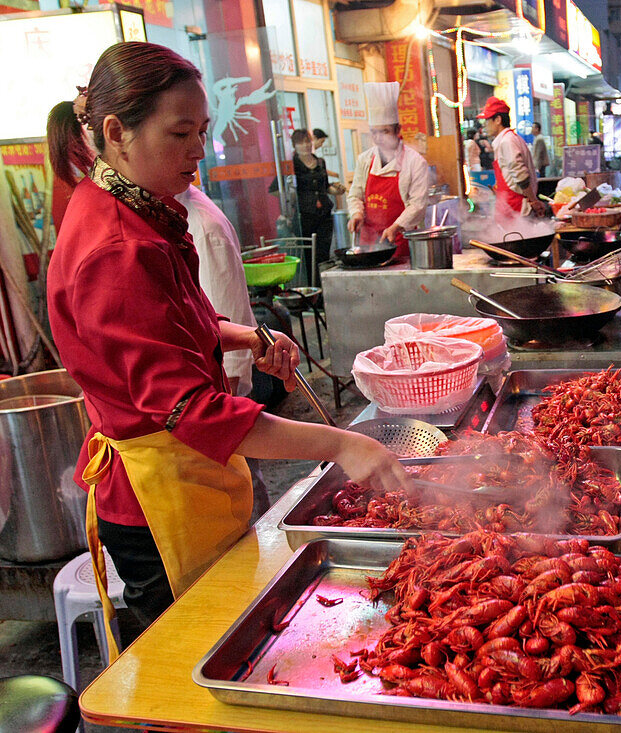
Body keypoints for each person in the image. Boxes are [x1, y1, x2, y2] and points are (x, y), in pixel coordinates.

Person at [45, 42, 410, 643]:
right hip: (157, 499)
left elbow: (165, 323)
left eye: (202, 131)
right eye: (180, 133)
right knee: (195, 651)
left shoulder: (132, 208)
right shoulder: (117, 245)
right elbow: (191, 411)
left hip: (184, 474)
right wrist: (342, 443)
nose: (198, 151)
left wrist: (240, 331)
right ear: (116, 132)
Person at [175, 185, 271, 524]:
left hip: (215, 393)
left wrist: (226, 388)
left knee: (242, 486)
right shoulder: (166, 219)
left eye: (199, 133)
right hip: (198, 408)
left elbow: (221, 305)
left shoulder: (201, 225)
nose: (198, 150)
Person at [347, 82, 430, 261]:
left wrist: (396, 226)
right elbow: (355, 195)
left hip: (400, 243)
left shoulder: (415, 162)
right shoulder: (365, 160)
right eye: (374, 133)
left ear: (398, 130)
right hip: (367, 245)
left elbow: (417, 205)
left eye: (384, 132)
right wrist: (356, 213)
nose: (378, 138)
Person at [477, 96, 545, 219]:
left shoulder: (507, 141)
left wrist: (533, 201)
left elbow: (521, 176)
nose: (485, 126)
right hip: (509, 208)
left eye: (487, 121)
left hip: (517, 210)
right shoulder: (506, 139)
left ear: (497, 120)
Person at [290, 128, 342, 286]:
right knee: (308, 256)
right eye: (301, 143)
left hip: (324, 214)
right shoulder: (292, 165)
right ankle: (311, 290)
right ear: (294, 146)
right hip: (304, 215)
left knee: (323, 254)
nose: (305, 145)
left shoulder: (320, 162)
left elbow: (326, 187)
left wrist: (337, 190)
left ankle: (323, 291)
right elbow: (275, 190)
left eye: (307, 141)